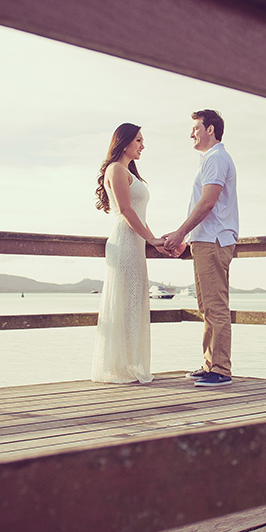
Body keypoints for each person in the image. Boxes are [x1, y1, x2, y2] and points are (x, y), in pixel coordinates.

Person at [164, 109, 239, 387]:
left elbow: (208, 202)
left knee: (215, 306)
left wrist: (180, 232)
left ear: (211, 129)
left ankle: (220, 369)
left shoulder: (216, 159)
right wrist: (188, 239)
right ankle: (211, 364)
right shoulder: (211, 159)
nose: (191, 133)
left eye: (196, 127)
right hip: (205, 240)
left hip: (214, 240)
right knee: (207, 305)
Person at [91, 124, 165, 384]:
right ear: (124, 142)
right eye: (138, 140)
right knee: (122, 303)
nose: (142, 145)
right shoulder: (115, 169)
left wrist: (155, 241)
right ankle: (117, 366)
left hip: (136, 245)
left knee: (134, 303)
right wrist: (151, 239)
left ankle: (131, 363)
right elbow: (125, 210)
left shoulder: (128, 171)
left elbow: (139, 215)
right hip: (123, 244)